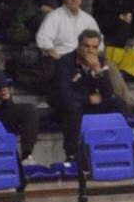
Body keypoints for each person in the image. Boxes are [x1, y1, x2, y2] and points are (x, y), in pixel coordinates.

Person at [54, 28, 127, 159]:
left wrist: (97, 71)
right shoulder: (65, 62)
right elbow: (63, 93)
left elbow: (108, 93)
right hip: (68, 107)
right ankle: (72, 154)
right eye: (87, 46)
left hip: (91, 106)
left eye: (94, 47)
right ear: (79, 46)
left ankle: (117, 147)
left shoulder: (100, 62)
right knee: (73, 108)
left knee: (118, 103)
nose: (91, 51)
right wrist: (87, 99)